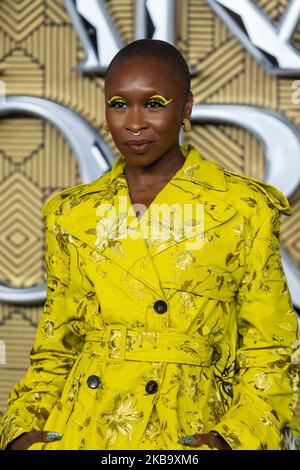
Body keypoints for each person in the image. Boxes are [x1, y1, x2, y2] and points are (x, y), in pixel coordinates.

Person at [0, 39, 299, 451]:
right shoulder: (73, 214)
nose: (134, 123)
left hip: (189, 430)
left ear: (186, 108)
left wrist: (235, 440)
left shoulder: (241, 208)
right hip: (82, 429)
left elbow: (271, 346)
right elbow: (56, 346)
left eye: (154, 103)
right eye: (119, 104)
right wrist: (19, 431)